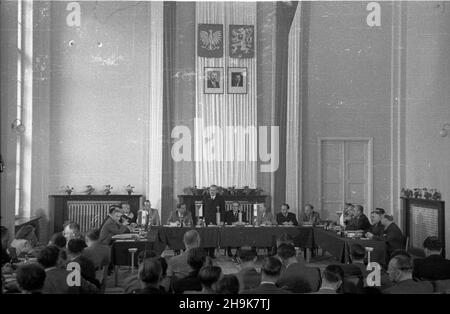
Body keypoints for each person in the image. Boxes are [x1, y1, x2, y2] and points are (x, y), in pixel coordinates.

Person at [203, 185, 225, 258]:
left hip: (216, 220)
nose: (212, 191)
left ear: (216, 191)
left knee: (213, 237)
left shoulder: (220, 198)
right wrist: (202, 219)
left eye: (214, 190)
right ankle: (205, 254)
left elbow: (222, 211)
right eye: (211, 190)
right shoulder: (205, 197)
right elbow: (203, 209)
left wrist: (222, 220)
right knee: (206, 236)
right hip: (207, 220)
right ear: (209, 190)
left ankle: (211, 253)